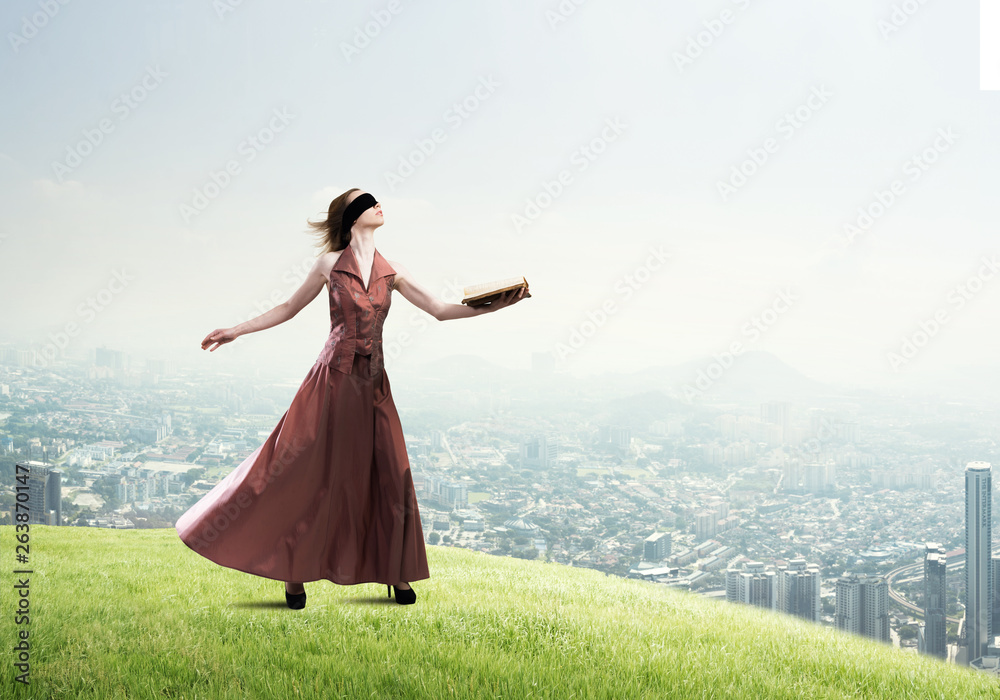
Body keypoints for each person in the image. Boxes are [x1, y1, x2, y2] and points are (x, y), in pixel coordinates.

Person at [174, 188, 527, 608]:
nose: (379, 206)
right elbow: (288, 308)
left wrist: (498, 305)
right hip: (331, 382)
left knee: (391, 473)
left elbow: (441, 310)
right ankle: (292, 571)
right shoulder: (327, 265)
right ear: (353, 217)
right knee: (305, 471)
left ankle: (397, 573)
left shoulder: (393, 271)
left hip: (374, 385)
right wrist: (236, 330)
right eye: (368, 203)